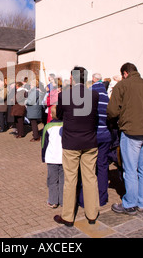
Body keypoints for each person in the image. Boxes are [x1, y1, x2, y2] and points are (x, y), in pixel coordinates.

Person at [107, 63, 143, 215]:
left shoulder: (122, 85)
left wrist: (122, 116)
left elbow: (112, 111)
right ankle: (141, 202)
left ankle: (130, 203)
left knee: (130, 168)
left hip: (131, 130)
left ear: (125, 73)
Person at [53, 66, 100, 227]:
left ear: (72, 79)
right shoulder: (94, 95)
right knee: (90, 178)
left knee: (70, 179)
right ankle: (92, 214)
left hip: (71, 142)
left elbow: (58, 115)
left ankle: (68, 216)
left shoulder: (65, 95)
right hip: (89, 141)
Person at [79, 73, 111, 208]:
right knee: (103, 166)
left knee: (87, 167)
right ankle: (102, 197)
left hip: (94, 134)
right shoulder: (106, 96)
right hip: (106, 134)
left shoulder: (91, 94)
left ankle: (84, 199)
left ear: (93, 80)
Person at [41, 107, 64, 208]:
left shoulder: (47, 126)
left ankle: (53, 200)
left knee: (52, 180)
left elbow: (44, 144)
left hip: (51, 157)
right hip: (64, 156)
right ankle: (64, 200)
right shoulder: (66, 125)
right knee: (64, 180)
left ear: (51, 115)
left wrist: (43, 157)